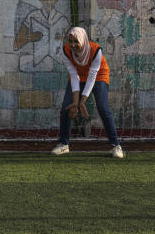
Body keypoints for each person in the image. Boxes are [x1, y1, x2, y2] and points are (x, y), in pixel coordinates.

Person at [51, 27, 123, 158]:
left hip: (99, 76)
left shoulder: (96, 50)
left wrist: (82, 101)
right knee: (66, 108)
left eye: (76, 41)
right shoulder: (65, 51)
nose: (72, 45)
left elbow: (92, 77)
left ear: (83, 41)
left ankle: (116, 146)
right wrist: (75, 102)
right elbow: (73, 75)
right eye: (70, 41)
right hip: (78, 76)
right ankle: (63, 144)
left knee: (103, 108)